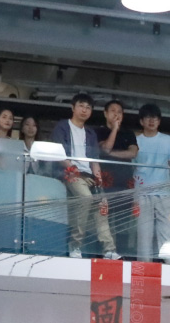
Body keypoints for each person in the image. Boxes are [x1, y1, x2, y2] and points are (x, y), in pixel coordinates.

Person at [51, 93, 119, 259]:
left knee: (101, 204)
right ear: (73, 107)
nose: (84, 110)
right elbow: (58, 154)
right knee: (86, 198)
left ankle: (109, 249)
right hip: (69, 173)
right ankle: (75, 244)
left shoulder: (90, 133)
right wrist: (75, 170)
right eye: (81, 106)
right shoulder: (62, 126)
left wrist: (99, 182)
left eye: (88, 107)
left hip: (87, 175)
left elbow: (94, 160)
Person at [133, 103, 170, 261]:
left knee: (169, 229)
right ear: (141, 121)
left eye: (155, 118)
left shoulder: (168, 140)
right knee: (143, 232)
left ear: (159, 121)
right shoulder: (135, 141)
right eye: (148, 118)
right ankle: (144, 266)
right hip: (142, 192)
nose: (151, 121)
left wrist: (163, 177)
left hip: (164, 192)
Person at [96, 99, 138, 247]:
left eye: (119, 112)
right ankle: (104, 251)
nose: (116, 114)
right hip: (106, 181)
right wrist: (114, 129)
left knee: (123, 219)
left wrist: (111, 154)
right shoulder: (99, 131)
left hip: (125, 181)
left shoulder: (128, 133)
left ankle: (122, 251)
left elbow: (132, 153)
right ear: (105, 113)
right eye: (113, 111)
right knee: (103, 217)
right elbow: (105, 148)